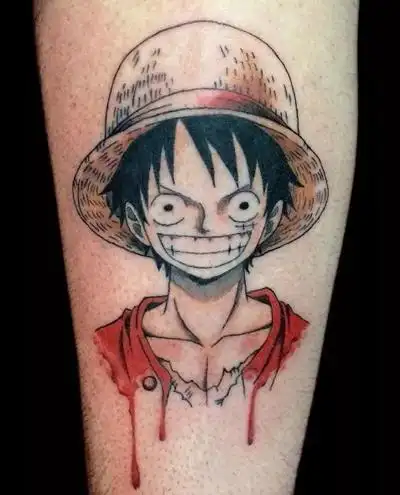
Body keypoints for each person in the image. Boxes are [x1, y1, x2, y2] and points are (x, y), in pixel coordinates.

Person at [35, 8, 358, 495]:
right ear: (138, 222)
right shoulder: (116, 347)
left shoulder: (288, 338)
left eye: (240, 204)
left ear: (271, 217)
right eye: (170, 207)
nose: (207, 227)